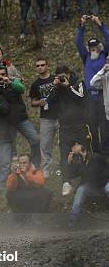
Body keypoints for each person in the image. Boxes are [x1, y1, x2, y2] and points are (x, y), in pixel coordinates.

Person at [47, 65, 90, 196]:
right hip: (65, 126)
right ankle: (66, 182)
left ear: (68, 74)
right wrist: (55, 86)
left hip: (79, 125)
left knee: (84, 153)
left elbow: (82, 98)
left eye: (63, 76)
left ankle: (86, 180)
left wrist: (68, 87)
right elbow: (48, 103)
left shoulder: (78, 82)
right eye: (59, 77)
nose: (61, 79)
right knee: (65, 154)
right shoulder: (57, 87)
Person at [0, 65, 41, 168]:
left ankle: (35, 165)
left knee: (35, 139)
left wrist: (10, 82)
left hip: (20, 118)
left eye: (3, 74)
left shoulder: (13, 82)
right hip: (6, 121)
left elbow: (22, 89)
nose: (1, 76)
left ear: (7, 74)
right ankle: (14, 172)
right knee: (11, 148)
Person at [75, 15, 109, 152]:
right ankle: (95, 150)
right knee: (92, 124)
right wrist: (81, 25)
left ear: (100, 47)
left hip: (103, 95)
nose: (93, 48)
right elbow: (78, 42)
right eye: (91, 46)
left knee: (105, 124)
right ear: (88, 48)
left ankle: (106, 148)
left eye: (95, 46)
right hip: (90, 97)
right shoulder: (86, 57)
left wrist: (99, 24)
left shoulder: (103, 54)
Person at [29, 58, 59, 178]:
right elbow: (32, 102)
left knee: (63, 142)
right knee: (45, 145)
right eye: (38, 66)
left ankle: (64, 166)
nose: (40, 67)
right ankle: (46, 168)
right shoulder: (35, 84)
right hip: (46, 118)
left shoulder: (54, 79)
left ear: (47, 66)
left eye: (42, 65)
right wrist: (39, 103)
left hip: (59, 115)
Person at [68, 147, 109, 226]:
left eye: (78, 155)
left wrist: (79, 164)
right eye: (75, 155)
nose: (77, 157)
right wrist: (70, 163)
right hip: (94, 187)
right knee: (81, 190)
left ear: (84, 152)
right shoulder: (82, 162)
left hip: (104, 184)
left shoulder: (95, 158)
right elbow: (71, 175)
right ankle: (74, 216)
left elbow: (90, 175)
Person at [90, 56, 109, 152]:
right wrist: (103, 70)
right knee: (105, 137)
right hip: (107, 114)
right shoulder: (105, 75)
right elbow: (93, 83)